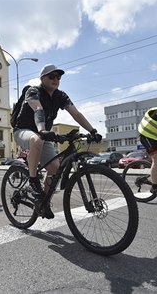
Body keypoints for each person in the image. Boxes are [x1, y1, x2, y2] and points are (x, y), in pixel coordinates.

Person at [13, 64, 102, 219]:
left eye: (58, 77)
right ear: (42, 78)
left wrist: (92, 131)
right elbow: (38, 109)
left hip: (44, 135)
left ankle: (43, 203)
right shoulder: (33, 91)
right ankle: (33, 180)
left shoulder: (60, 96)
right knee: (36, 139)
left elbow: (76, 114)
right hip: (24, 131)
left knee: (55, 169)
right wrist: (41, 130)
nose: (56, 79)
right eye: (51, 76)